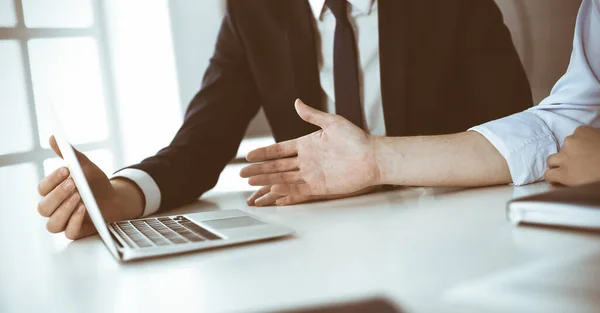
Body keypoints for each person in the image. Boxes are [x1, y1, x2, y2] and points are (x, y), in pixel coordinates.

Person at [36, 0, 532, 240]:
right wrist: (121, 196)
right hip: (319, 240)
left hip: (455, 228)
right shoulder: (253, 11)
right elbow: (201, 142)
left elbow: (516, 130)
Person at [241, 0, 600, 199]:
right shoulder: (253, 14)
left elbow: (514, 113)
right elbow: (561, 124)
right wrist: (373, 159)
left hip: (451, 212)